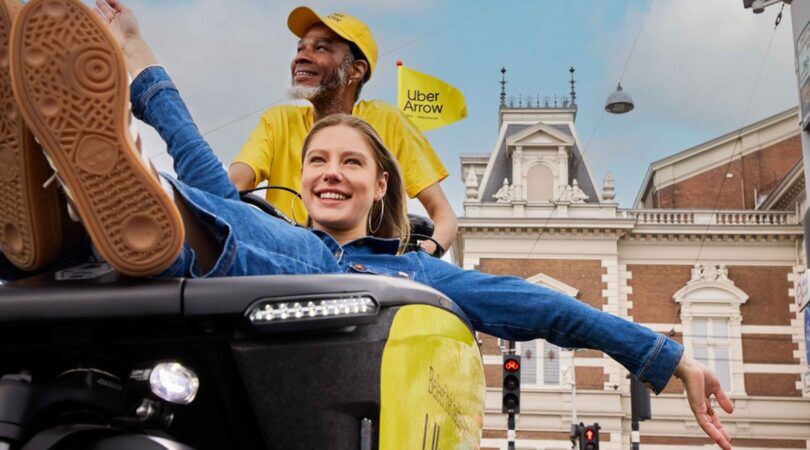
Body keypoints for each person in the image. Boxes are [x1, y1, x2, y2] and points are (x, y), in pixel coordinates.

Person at [0, 1, 733, 448]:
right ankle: (64, 200)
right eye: (318, 159)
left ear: (384, 186)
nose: (327, 171)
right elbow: (208, 173)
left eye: (351, 163)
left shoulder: (405, 273)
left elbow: (543, 307)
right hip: (125, 291)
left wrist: (672, 361)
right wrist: (138, 56)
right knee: (214, 205)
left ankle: (99, 195)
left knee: (240, 226)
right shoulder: (268, 215)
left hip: (252, 313)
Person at [228, 6, 457, 256]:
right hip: (290, 267)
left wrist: (422, 259)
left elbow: (443, 215)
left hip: (368, 273)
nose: (301, 57)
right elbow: (232, 186)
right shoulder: (278, 121)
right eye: (300, 48)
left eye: (321, 48)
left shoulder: (387, 121)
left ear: (355, 70)